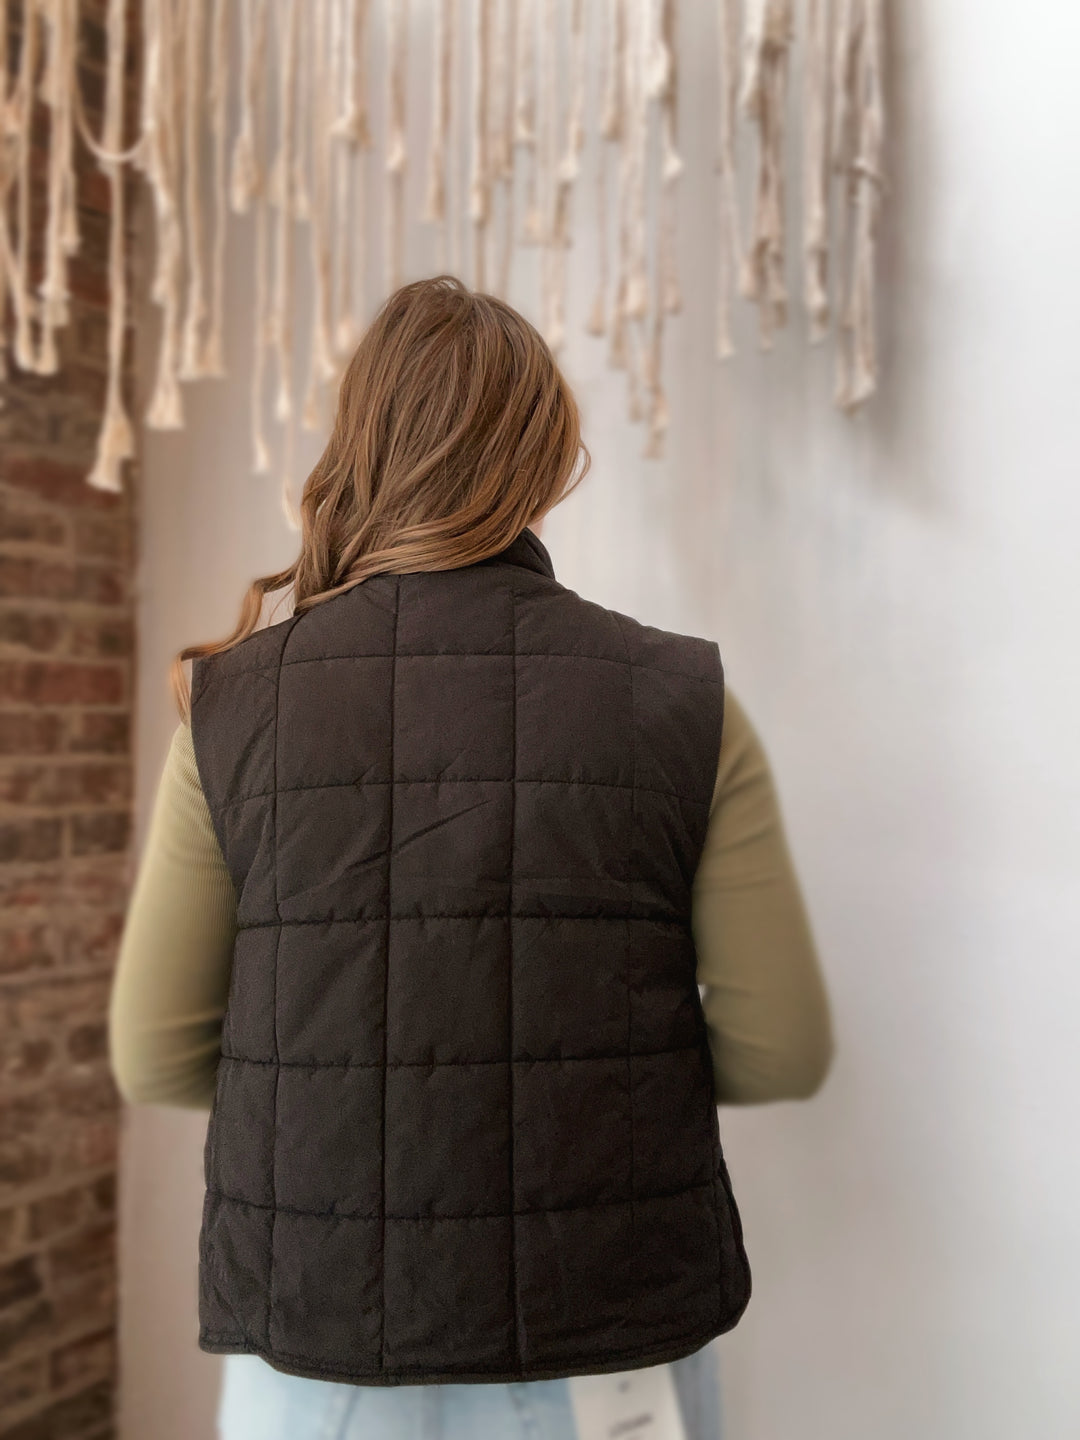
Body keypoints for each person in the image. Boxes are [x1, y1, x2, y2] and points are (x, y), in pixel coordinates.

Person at [109, 276, 833, 1440]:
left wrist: (332, 1096)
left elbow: (153, 1055)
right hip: (607, 1360)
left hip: (321, 1367)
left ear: (361, 445)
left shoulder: (230, 707)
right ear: (542, 462)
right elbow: (783, 1047)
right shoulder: (678, 698)